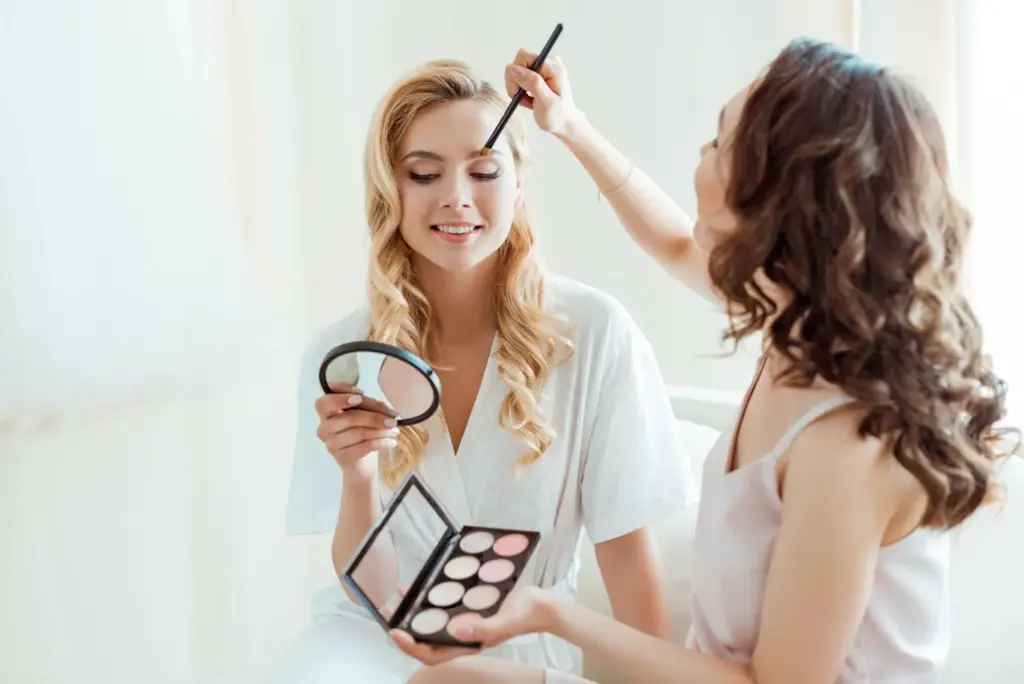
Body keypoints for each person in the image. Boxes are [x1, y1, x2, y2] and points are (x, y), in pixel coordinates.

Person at [390, 38, 1016, 684]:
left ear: (776, 193)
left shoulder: (847, 443)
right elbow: (670, 239)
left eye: (719, 144)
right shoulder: (796, 322)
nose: (701, 154)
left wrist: (554, 613)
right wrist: (569, 125)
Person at [263, 59, 698, 684]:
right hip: (368, 646)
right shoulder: (344, 356)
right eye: (424, 173)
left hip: (518, 655)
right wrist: (359, 479)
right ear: (392, 190)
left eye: (484, 171)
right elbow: (374, 593)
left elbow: (628, 557)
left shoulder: (595, 332)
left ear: (517, 184)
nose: (456, 197)